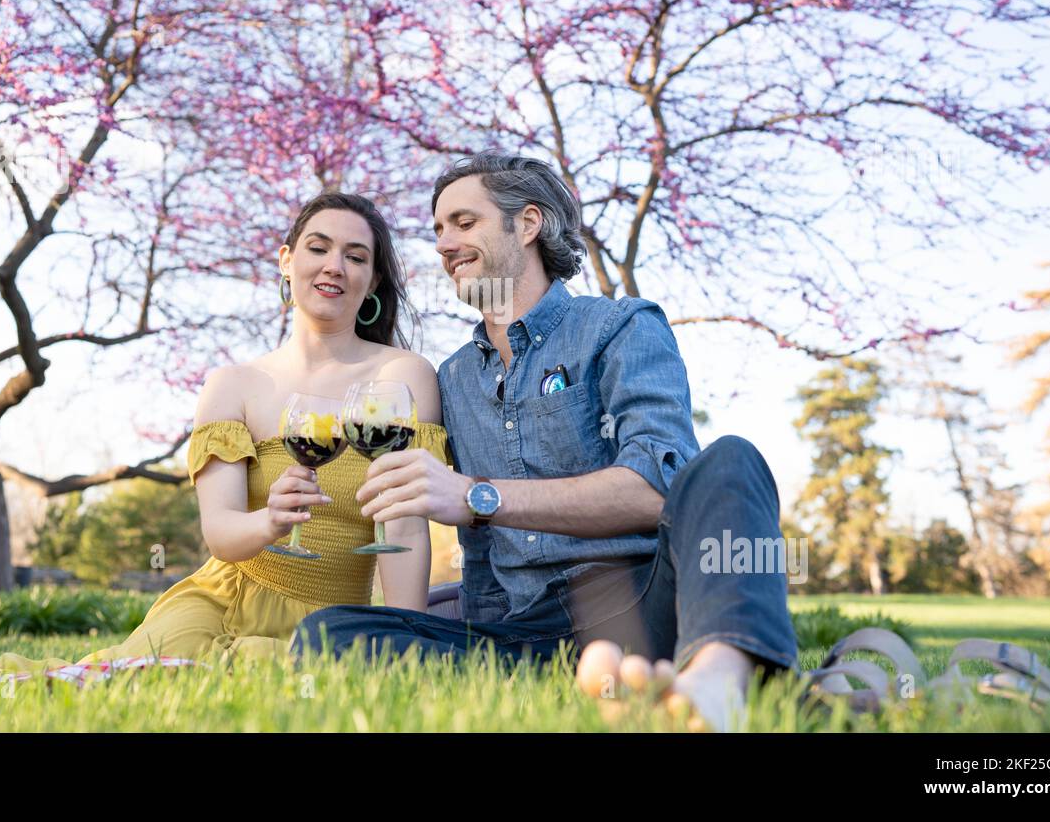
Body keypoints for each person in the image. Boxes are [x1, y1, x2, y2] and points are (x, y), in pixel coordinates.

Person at [0, 192, 450, 690]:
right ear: (287, 260)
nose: (335, 265)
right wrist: (269, 521)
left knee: (280, 684)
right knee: (123, 685)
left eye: (356, 256)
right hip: (224, 597)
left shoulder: (400, 379)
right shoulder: (235, 385)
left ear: (372, 281)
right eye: (318, 247)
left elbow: (406, 529)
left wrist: (407, 638)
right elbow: (222, 534)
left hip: (333, 617)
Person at [290, 151, 800, 732]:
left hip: (646, 604)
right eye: (437, 230)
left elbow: (658, 487)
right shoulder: (453, 377)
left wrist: (479, 495)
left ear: (527, 224)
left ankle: (717, 683)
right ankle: (615, 687)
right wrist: (461, 624)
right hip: (526, 636)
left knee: (730, 459)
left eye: (463, 222)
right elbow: (479, 555)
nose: (443, 245)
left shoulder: (620, 327)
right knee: (330, 633)